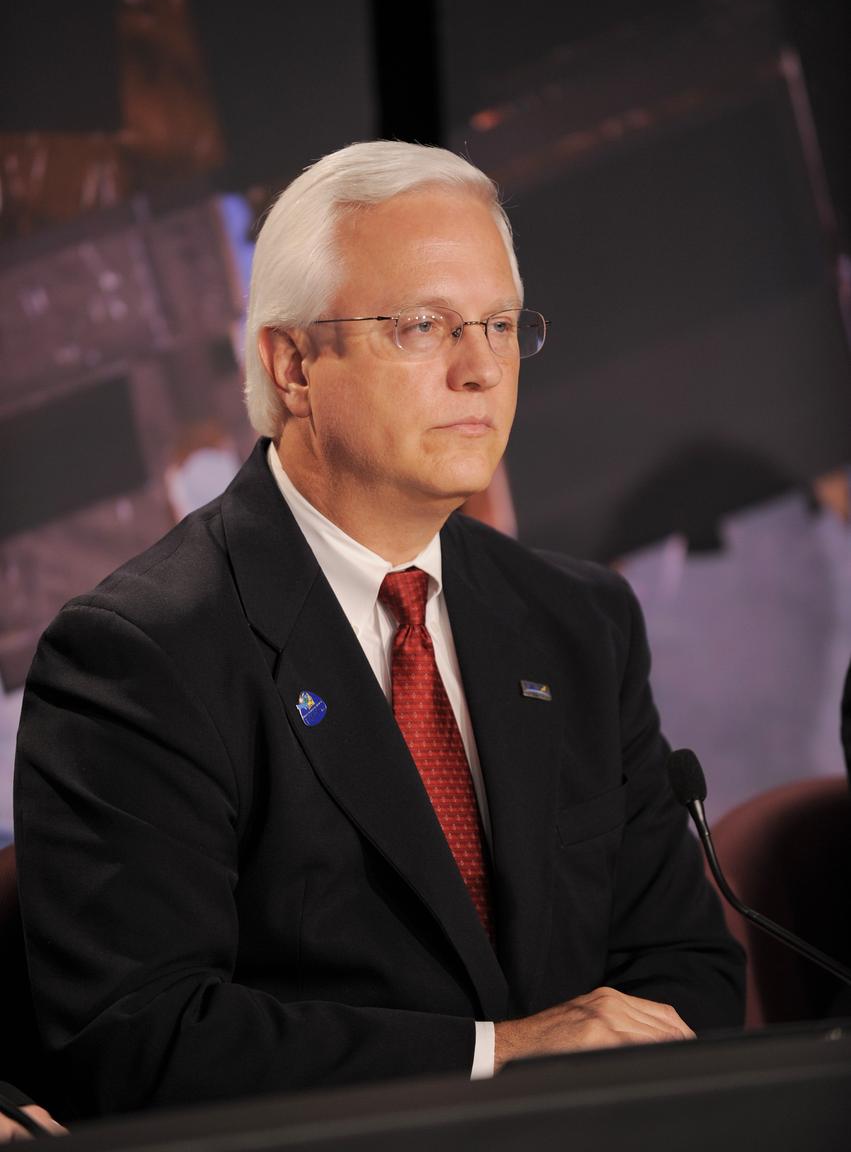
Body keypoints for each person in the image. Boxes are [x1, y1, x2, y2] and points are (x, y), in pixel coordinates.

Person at [15, 141, 744, 1118]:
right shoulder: (140, 655)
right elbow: (143, 1036)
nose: (480, 368)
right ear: (293, 363)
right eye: (421, 325)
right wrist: (500, 1054)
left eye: (496, 323)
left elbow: (683, 965)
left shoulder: (578, 620)